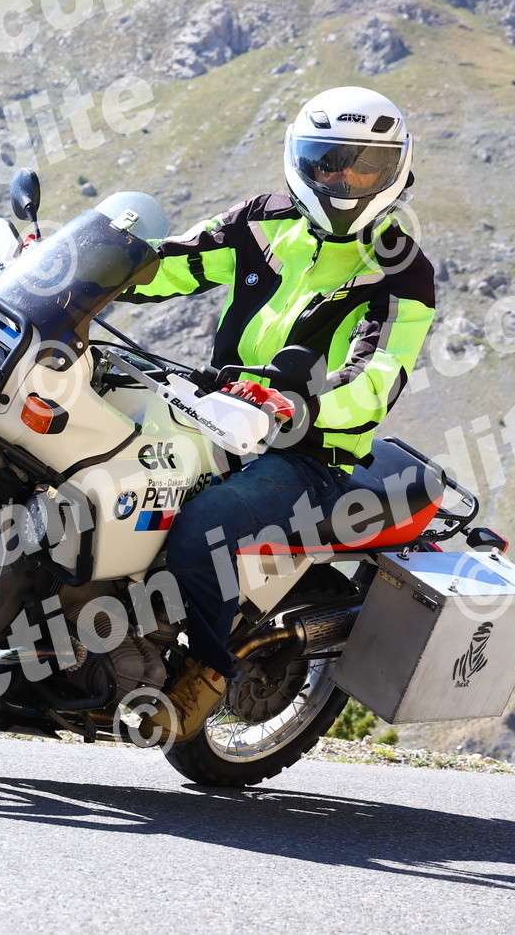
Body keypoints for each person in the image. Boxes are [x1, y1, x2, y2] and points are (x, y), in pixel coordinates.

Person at [115, 85, 437, 743]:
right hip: (215, 414)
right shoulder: (262, 221)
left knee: (203, 528)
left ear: (394, 171)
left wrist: (299, 405)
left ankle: (205, 671)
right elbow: (173, 264)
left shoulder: (402, 271)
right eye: (328, 161)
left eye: (364, 167)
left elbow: (375, 377)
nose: (343, 180)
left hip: (308, 452)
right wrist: (87, 262)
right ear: (301, 160)